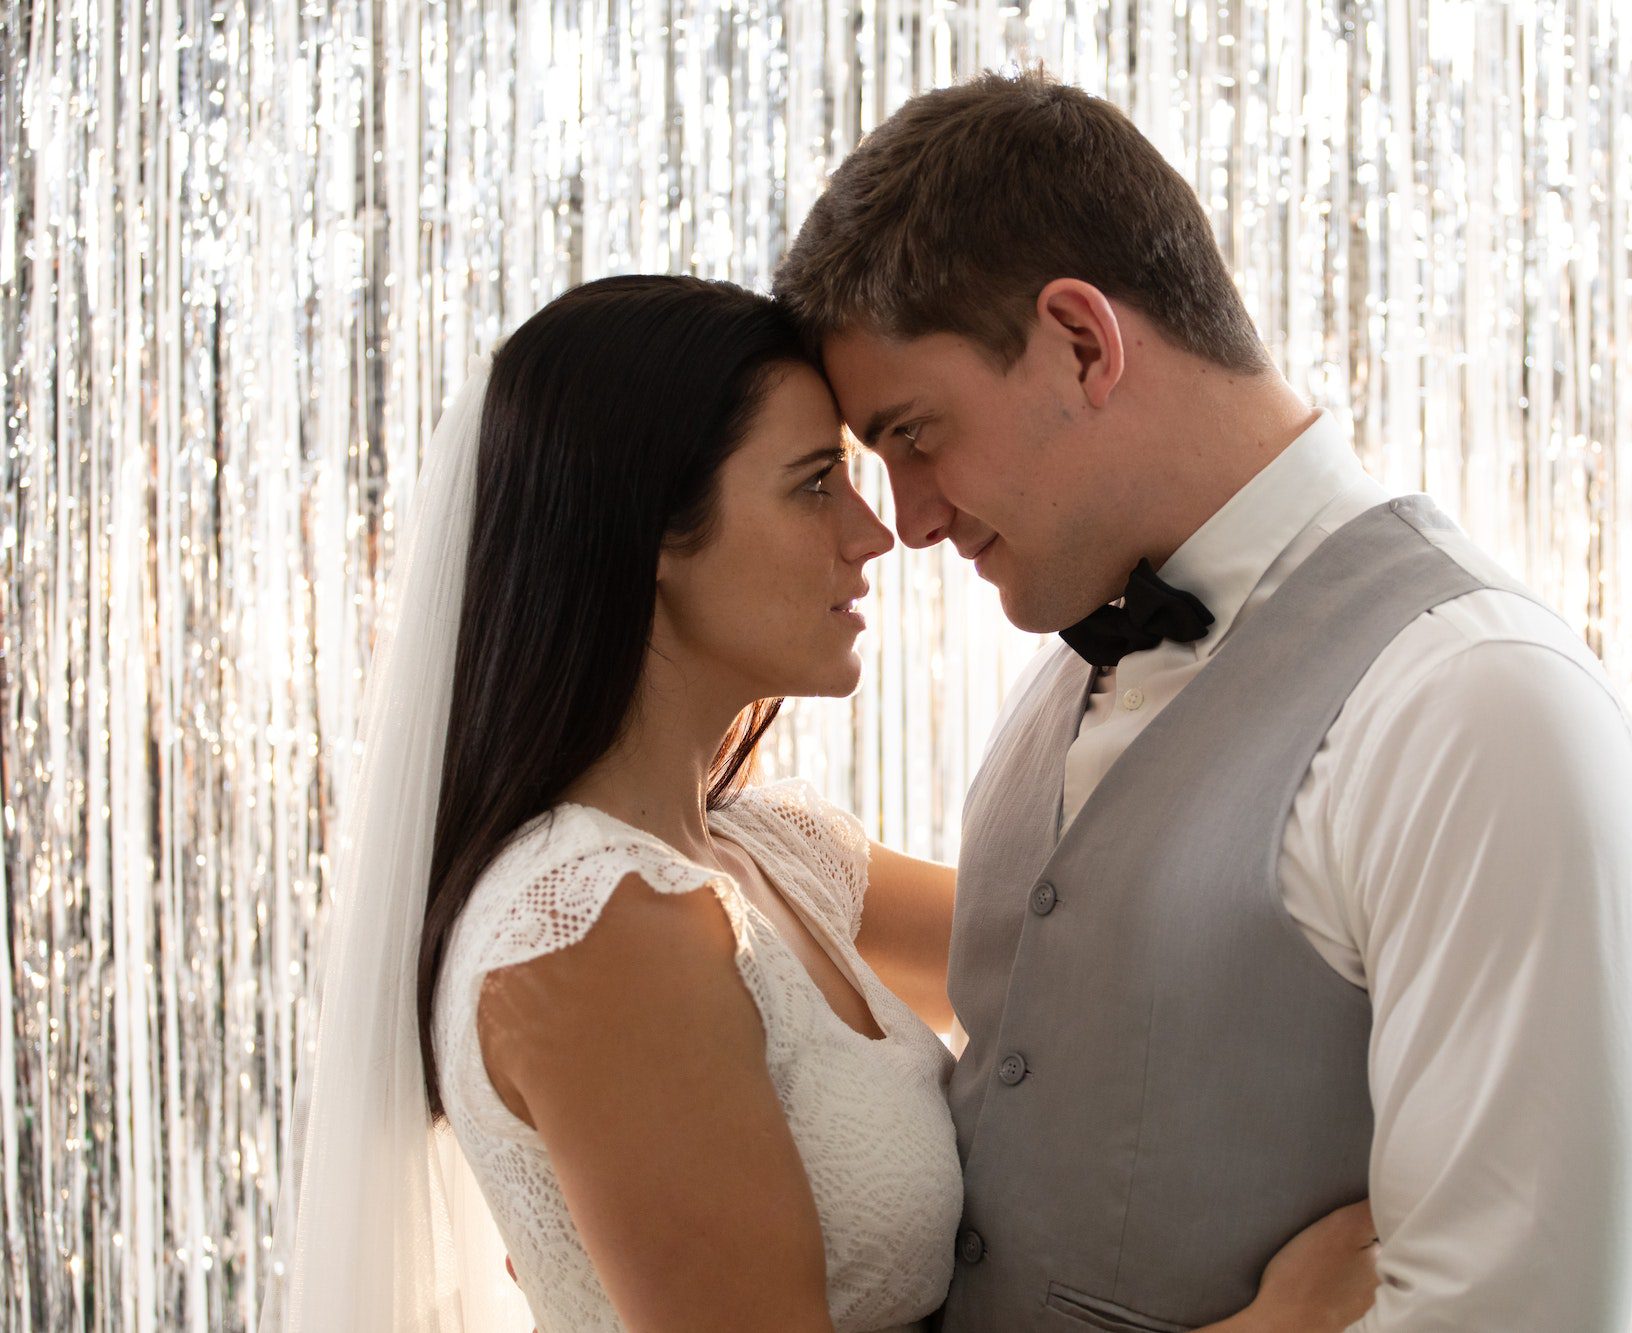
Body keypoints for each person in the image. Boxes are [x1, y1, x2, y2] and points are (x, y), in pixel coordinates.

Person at [263, 274, 1381, 1332]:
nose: (875, 529)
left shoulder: (761, 853)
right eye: (812, 483)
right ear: (651, 532)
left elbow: (1085, 956)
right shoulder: (600, 927)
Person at [772, 71, 1632, 1331]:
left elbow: (1506, 1312)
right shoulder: (1060, 672)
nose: (908, 519)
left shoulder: (1482, 713)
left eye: (915, 435)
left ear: (1082, 342)